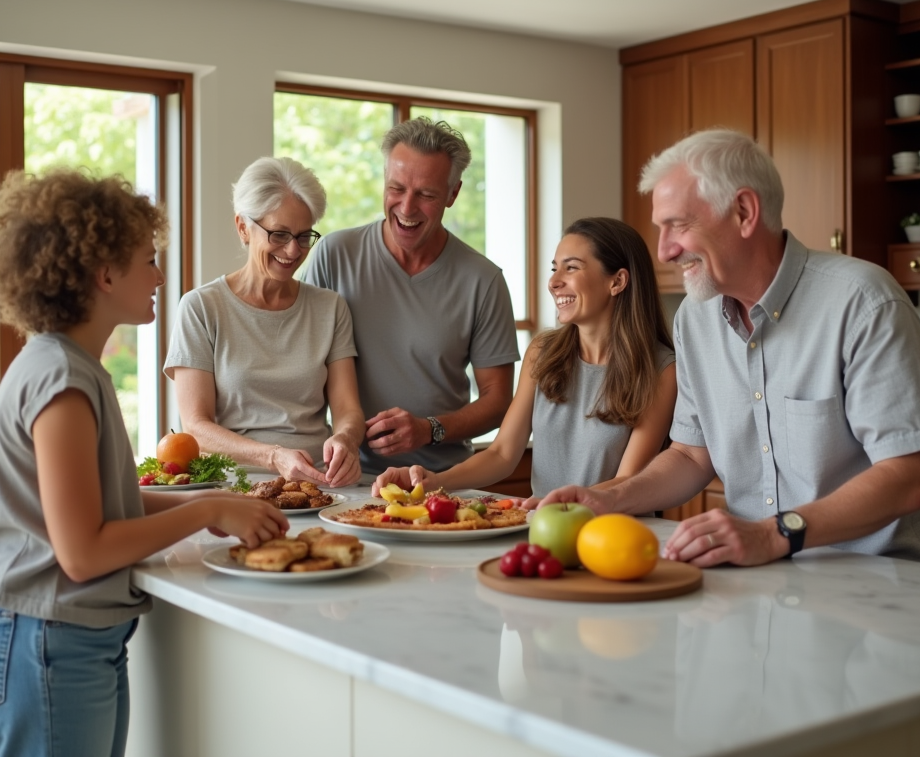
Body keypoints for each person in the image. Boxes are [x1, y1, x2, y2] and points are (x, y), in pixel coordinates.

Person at [0, 169, 288, 757]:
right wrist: (206, 506)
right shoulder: (61, 381)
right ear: (104, 274)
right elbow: (83, 553)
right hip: (40, 643)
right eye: (147, 259)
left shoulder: (68, 366)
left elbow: (105, 502)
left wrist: (210, 507)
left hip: (57, 641)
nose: (160, 275)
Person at [536, 129, 920, 567]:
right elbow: (689, 455)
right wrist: (608, 498)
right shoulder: (695, 321)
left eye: (678, 225)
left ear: (744, 212)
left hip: (881, 587)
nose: (664, 251)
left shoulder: (864, 303)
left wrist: (775, 534)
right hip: (760, 577)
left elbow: (908, 478)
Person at [372, 217, 676, 498]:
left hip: (613, 538)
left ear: (618, 281)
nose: (554, 282)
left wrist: (561, 505)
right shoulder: (543, 353)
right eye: (554, 268)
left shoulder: (662, 370)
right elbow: (503, 454)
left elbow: (629, 481)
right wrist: (432, 481)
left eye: (571, 268)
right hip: (543, 531)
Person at [303, 117, 520, 475]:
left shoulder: (483, 280)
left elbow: (497, 401)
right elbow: (304, 363)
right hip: (346, 478)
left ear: (453, 194)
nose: (406, 208)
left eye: (426, 194)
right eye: (397, 188)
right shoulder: (334, 254)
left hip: (444, 482)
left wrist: (428, 429)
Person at [166, 157, 364, 487]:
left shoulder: (331, 308)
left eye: (303, 237)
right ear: (243, 226)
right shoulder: (201, 308)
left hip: (320, 484)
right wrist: (272, 455)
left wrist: (346, 440)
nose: (292, 251)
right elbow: (196, 426)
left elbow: (348, 409)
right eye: (279, 234)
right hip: (236, 486)